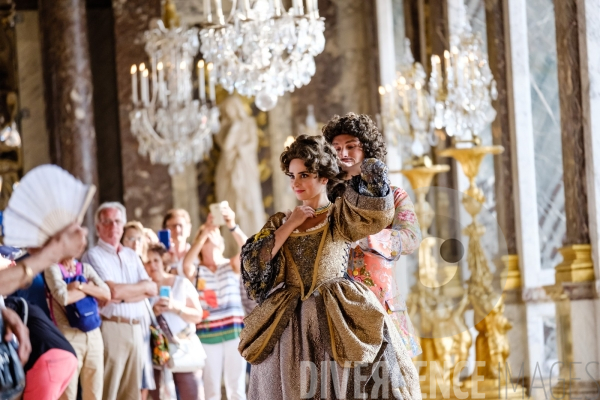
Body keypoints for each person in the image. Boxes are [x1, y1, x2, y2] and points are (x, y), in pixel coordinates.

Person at [239, 134, 421, 399]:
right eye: (292, 176)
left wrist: (371, 172)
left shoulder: (339, 215)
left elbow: (376, 214)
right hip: (290, 323)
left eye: (304, 175)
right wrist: (291, 223)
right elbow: (254, 261)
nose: (296, 183)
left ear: (323, 177)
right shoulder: (281, 222)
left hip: (336, 315)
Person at [323, 112, 423, 357]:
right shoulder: (326, 196)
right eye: (336, 148)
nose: (342, 153)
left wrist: (372, 239)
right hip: (337, 301)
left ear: (367, 148)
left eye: (350, 146)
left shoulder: (395, 194)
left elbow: (411, 237)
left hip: (382, 300)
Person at [82, 202, 158, 400]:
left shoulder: (132, 255)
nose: (112, 226)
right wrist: (128, 292)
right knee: (109, 391)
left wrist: (121, 295)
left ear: (123, 225)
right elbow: (112, 291)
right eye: (107, 222)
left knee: (131, 394)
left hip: (137, 329)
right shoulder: (93, 255)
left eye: (117, 221)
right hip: (111, 328)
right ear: (98, 227)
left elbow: (152, 289)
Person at [182, 206, 248, 400]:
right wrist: (204, 232)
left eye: (214, 235)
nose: (210, 239)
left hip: (234, 333)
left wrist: (231, 225)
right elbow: (186, 265)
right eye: (205, 239)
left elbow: (249, 249)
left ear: (220, 242)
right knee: (211, 389)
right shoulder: (197, 271)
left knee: (236, 388)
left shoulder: (231, 265)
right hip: (207, 335)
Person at [44, 257, 111, 400]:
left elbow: (107, 294)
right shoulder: (52, 268)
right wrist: (92, 289)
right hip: (68, 336)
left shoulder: (85, 268)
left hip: (94, 335)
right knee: (67, 393)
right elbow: (63, 297)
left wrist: (80, 286)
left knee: (95, 392)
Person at [144, 243, 204, 400]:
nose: (152, 265)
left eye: (155, 260)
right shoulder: (143, 289)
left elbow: (198, 315)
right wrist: (154, 312)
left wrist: (175, 307)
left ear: (163, 261)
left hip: (183, 349)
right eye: (147, 261)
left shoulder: (181, 283)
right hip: (157, 354)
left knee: (192, 395)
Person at [121, 220, 155, 399]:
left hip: (145, 326)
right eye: (130, 238)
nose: (135, 243)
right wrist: (139, 292)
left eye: (139, 239)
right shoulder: (120, 263)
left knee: (144, 379)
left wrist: (126, 296)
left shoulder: (147, 264)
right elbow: (116, 294)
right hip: (126, 324)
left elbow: (152, 289)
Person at [162, 209, 193, 275]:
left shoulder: (197, 255)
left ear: (189, 229)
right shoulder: (161, 255)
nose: (177, 230)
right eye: (173, 226)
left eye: (180, 226)